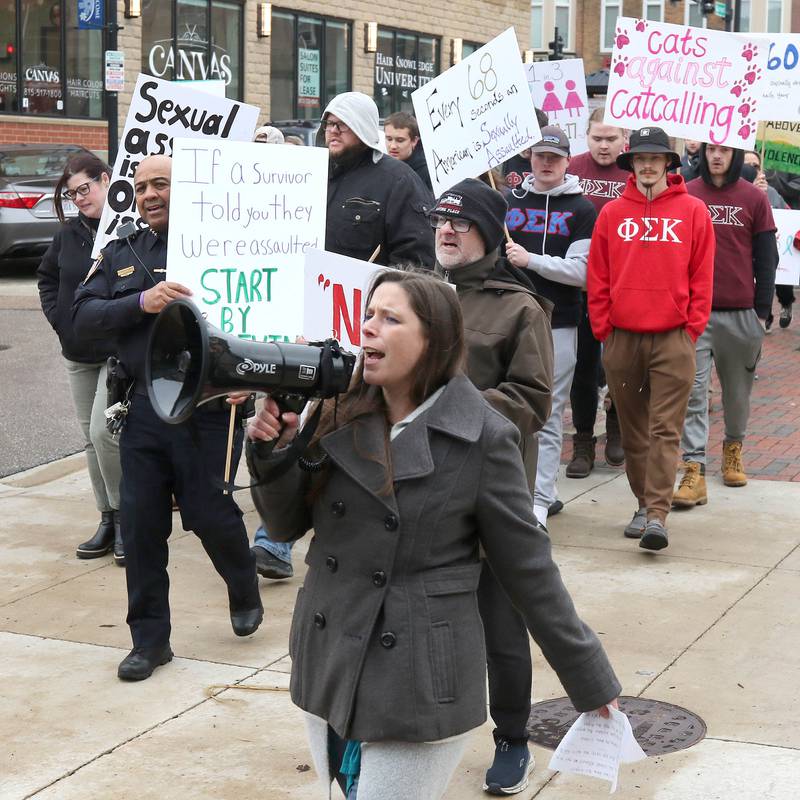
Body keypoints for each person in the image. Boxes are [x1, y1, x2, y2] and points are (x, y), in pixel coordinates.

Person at [246, 270, 620, 800]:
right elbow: (284, 526)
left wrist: (590, 680)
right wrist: (273, 450)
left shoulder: (484, 435)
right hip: (330, 654)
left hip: (419, 673)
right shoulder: (337, 409)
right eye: (369, 315)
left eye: (391, 319)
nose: (369, 329)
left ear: (434, 341)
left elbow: (528, 569)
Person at [72, 155, 263, 681]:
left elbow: (264, 317)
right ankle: (150, 640)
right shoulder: (122, 251)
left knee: (207, 513)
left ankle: (243, 579)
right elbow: (82, 316)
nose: (148, 195)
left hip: (207, 410)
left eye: (161, 184)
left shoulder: (233, 243)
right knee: (140, 524)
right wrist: (141, 302)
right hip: (144, 409)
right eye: (140, 187)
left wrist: (251, 378)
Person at [432, 179, 553, 794]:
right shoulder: (414, 294)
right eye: (440, 221)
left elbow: (532, 400)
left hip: (490, 493)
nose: (447, 231)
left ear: (488, 232)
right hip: (419, 489)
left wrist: (451, 408)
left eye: (461, 222)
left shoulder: (518, 308)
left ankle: (512, 736)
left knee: (502, 627)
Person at [587, 127, 714, 550]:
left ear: (668, 164)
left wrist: (691, 327)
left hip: (673, 337)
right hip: (622, 336)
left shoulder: (693, 211)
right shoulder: (611, 214)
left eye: (654, 158)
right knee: (633, 429)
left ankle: (657, 515)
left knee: (665, 429)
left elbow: (702, 275)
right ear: (632, 163)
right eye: (639, 158)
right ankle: (643, 503)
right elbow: (598, 275)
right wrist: (604, 327)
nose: (646, 165)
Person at [672, 144, 777, 508]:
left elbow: (766, 257)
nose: (717, 156)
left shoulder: (753, 198)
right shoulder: (686, 193)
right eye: (711, 149)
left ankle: (733, 448)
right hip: (694, 313)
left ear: (735, 154)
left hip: (741, 312)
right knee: (694, 393)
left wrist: (761, 311)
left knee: (736, 393)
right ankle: (693, 468)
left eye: (724, 150)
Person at [504, 125, 597, 529]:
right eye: (540, 155)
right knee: (507, 409)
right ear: (530, 157)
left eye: (554, 157)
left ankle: (540, 500)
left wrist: (531, 260)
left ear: (566, 162)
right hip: (510, 319)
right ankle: (521, 493)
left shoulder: (582, 208)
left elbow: (581, 272)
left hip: (559, 321)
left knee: (548, 412)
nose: (546, 163)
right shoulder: (507, 200)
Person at [37, 153, 124, 564]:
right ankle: (106, 517)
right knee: (90, 440)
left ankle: (126, 517)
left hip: (115, 352)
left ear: (105, 179)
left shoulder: (127, 229)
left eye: (84, 189)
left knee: (104, 431)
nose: (79, 199)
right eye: (72, 195)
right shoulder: (68, 235)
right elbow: (47, 278)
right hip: (77, 352)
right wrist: (60, 320)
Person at [565, 108, 628, 479]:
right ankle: (584, 440)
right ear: (586, 137)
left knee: (620, 362)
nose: (604, 146)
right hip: (580, 284)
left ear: (624, 140)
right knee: (584, 368)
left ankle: (617, 422)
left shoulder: (635, 172)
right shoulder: (572, 168)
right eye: (597, 139)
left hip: (624, 285)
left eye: (611, 139)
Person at [316, 92, 434, 266]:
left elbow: (415, 261)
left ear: (362, 128)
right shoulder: (311, 173)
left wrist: (382, 290)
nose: (334, 130)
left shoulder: (398, 181)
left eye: (343, 124)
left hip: (366, 291)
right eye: (330, 123)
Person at [743, 150, 793, 330]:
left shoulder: (771, 192)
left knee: (768, 279)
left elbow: (788, 215)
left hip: (768, 248)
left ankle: (769, 311)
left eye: (755, 166)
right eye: (747, 165)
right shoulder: (734, 191)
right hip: (744, 253)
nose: (752, 169)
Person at [384, 111, 432, 191]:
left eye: (400, 140)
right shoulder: (379, 167)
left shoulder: (427, 173)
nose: (393, 146)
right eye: (389, 139)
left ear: (414, 141)